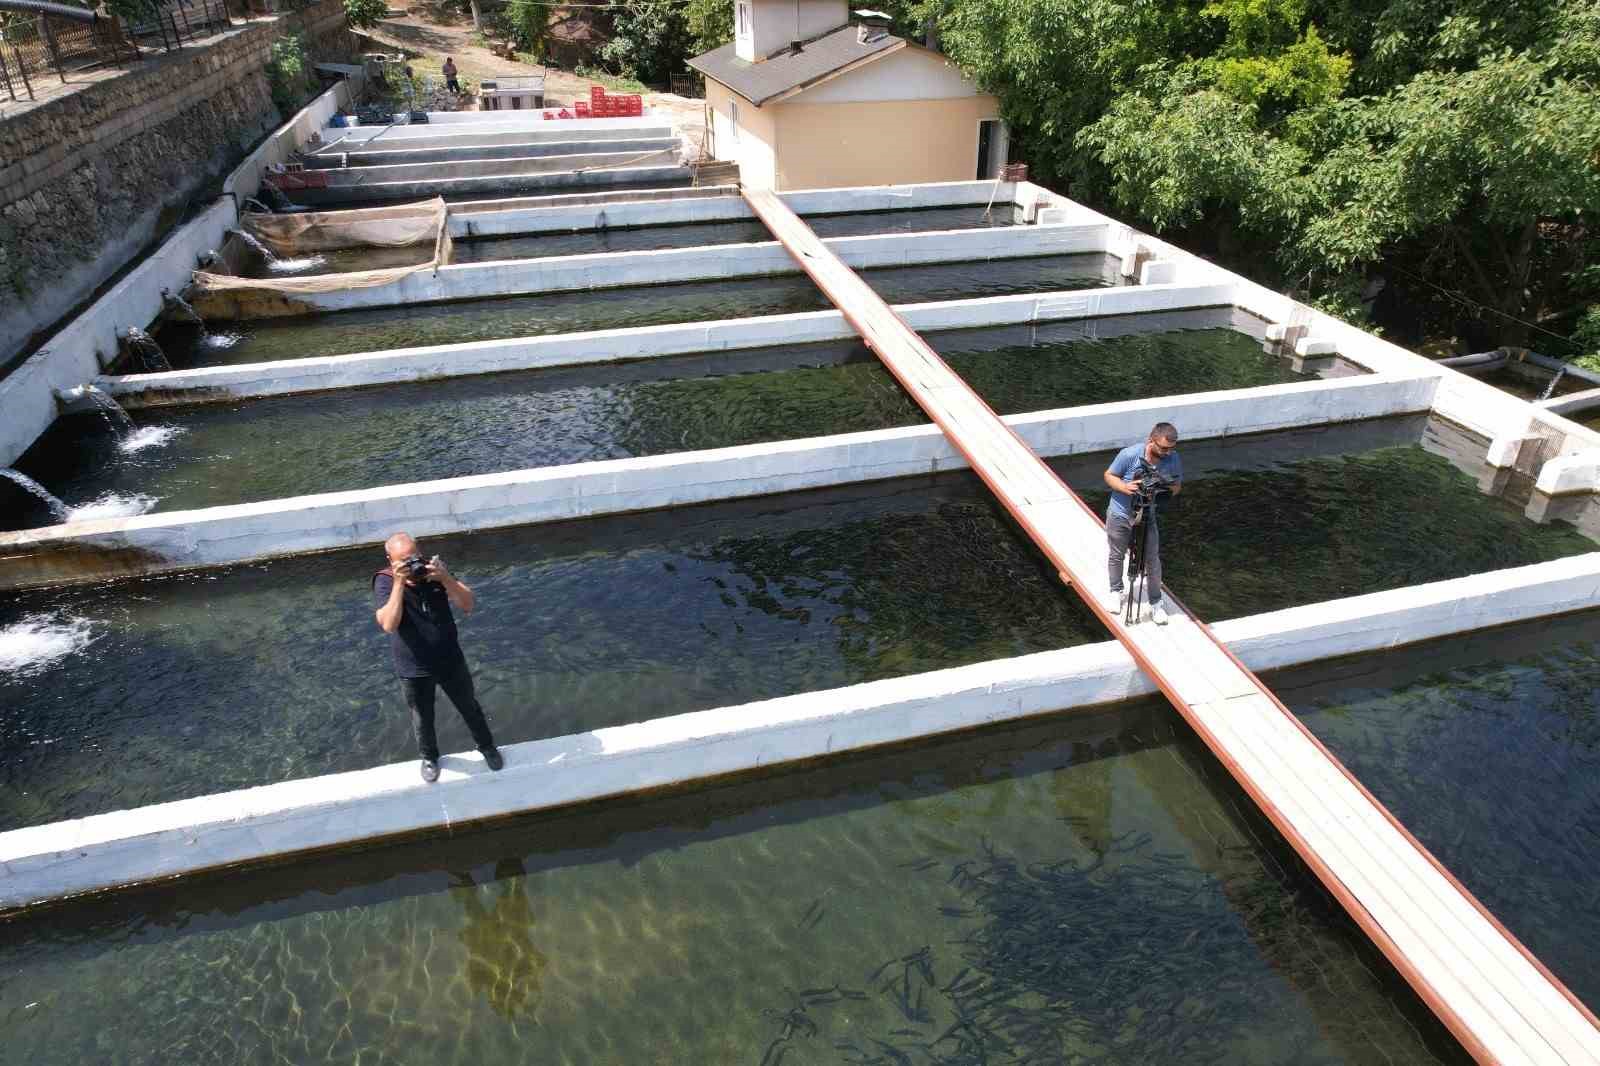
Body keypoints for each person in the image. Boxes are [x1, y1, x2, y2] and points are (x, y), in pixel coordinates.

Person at [373, 531, 504, 782]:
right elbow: (388, 624)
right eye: (404, 561)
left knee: (469, 706)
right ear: (391, 561)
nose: (413, 565)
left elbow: (467, 604)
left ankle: (487, 747)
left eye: (414, 557)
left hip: (450, 660)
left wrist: (444, 578)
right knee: (422, 717)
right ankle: (429, 757)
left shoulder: (435, 572)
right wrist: (400, 584)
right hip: (413, 667)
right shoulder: (385, 581)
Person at [1103, 422, 1183, 625]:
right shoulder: (1129, 455)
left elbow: (1177, 486)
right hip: (1120, 514)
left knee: (1152, 560)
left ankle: (1156, 603)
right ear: (1151, 440)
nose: (1167, 453)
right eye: (1163, 448)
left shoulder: (1173, 459)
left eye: (1172, 448)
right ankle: (1116, 591)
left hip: (1148, 515)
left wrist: (1162, 489)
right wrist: (1125, 486)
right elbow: (1109, 475)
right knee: (1116, 554)